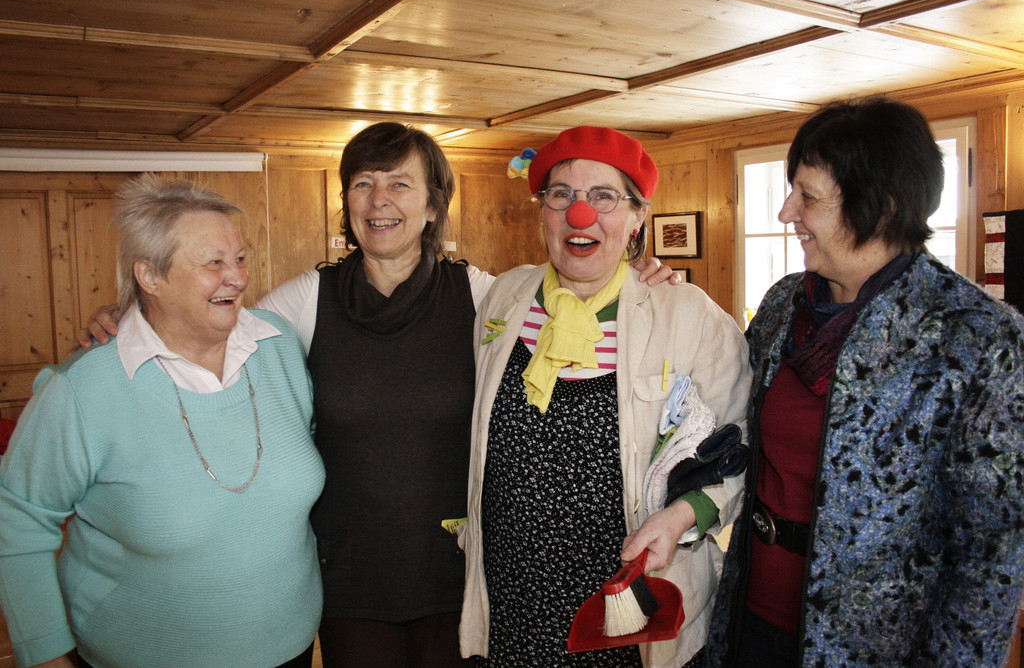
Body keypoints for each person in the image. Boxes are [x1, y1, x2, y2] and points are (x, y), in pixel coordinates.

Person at [75, 122, 680, 668]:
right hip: (350, 576)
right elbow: (211, 329)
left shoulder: (483, 296)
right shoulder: (306, 300)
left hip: (461, 571)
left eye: (400, 184)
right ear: (347, 203)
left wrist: (642, 279)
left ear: (433, 205)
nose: (379, 200)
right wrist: (137, 316)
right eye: (362, 184)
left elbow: (571, 306)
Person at [706, 97, 1024, 666]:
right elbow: (726, 424)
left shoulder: (977, 338)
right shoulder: (783, 305)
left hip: (873, 649)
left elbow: (991, 556)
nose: (785, 212)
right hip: (748, 620)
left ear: (882, 208)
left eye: (808, 196)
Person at [0, 175, 325, 668]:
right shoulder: (83, 389)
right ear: (150, 276)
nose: (237, 278)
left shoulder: (277, 344)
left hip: (292, 647)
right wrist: (44, 652)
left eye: (240, 258)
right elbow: (18, 520)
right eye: (213, 263)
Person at [459, 126, 752, 667]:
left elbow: (739, 453)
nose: (580, 214)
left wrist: (682, 516)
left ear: (638, 217)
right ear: (543, 212)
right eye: (561, 195)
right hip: (512, 600)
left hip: (632, 604)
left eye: (604, 197)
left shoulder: (691, 318)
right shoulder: (504, 297)